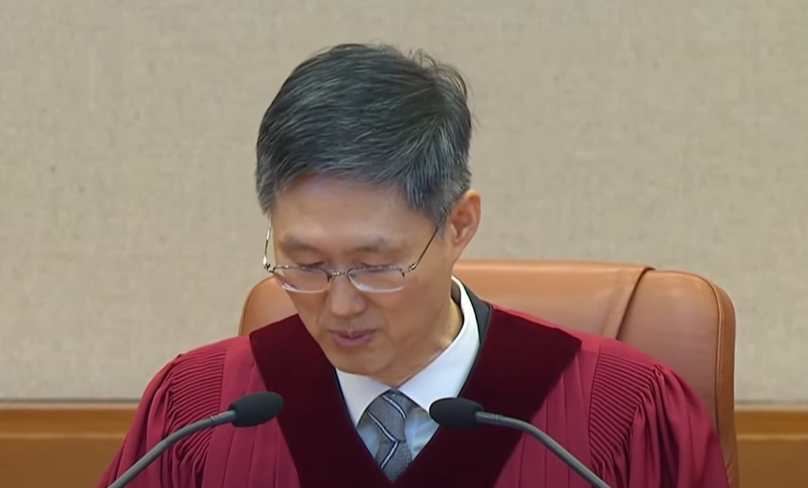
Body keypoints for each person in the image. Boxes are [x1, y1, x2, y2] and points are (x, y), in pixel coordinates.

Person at [96, 43, 731, 488]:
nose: (340, 305)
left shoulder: (620, 413)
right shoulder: (198, 411)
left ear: (459, 226)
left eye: (376, 266)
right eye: (305, 264)